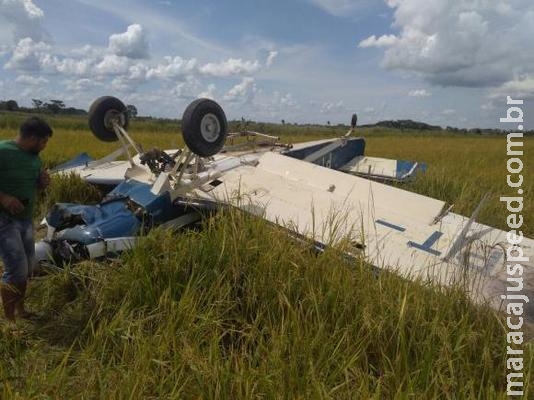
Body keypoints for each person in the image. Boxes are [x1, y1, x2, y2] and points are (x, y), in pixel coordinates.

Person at [0, 116, 52, 323]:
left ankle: (21, 310)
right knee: (16, 269)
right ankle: (9, 321)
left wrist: (41, 182)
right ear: (32, 138)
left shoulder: (34, 157)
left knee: (28, 268)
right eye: (44, 141)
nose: (45, 146)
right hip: (4, 219)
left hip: (25, 219)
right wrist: (4, 198)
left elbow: (34, 184)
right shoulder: (3, 151)